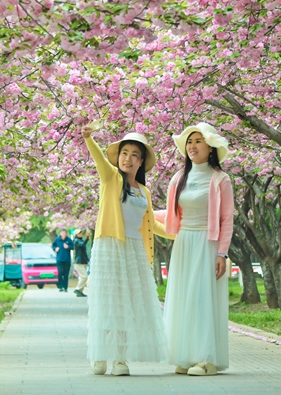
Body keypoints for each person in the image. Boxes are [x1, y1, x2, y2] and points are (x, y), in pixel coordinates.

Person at [81, 125, 168, 376]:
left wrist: (185, 232)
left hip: (135, 250)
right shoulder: (111, 179)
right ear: (118, 158)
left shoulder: (144, 192)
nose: (128, 158)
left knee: (126, 303)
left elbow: (153, 224)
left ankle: (120, 358)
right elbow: (99, 159)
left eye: (134, 155)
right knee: (108, 301)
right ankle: (99, 355)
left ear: (141, 162)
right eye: (124, 153)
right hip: (110, 245)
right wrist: (88, 138)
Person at [154, 122, 233, 376]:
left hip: (207, 244)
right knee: (183, 298)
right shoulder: (179, 178)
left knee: (202, 299)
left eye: (198, 141)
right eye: (189, 141)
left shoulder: (221, 179)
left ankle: (207, 359)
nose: (192, 146)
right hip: (184, 242)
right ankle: (186, 356)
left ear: (210, 147)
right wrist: (142, 211)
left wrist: (222, 253)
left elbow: (226, 219)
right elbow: (173, 214)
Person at [73, 229, 90, 297]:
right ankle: (77, 289)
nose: (80, 234)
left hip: (83, 260)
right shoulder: (76, 241)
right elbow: (82, 245)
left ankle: (80, 291)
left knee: (81, 277)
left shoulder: (81, 240)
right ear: (76, 235)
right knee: (84, 276)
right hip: (79, 261)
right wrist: (87, 237)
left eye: (81, 233)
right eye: (79, 233)